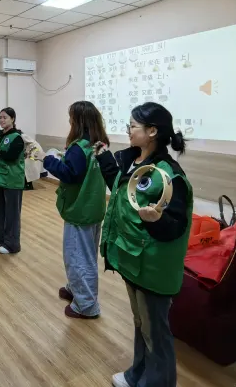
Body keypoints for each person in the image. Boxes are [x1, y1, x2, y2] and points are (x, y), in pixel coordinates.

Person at [95, 102, 192, 387]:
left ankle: (158, 382)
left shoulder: (169, 174)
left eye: (133, 126)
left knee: (155, 332)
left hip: (152, 268)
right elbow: (121, 191)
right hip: (133, 259)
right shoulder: (133, 161)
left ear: (152, 131)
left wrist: (157, 220)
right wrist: (104, 158)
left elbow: (175, 226)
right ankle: (138, 374)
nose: (128, 130)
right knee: (141, 325)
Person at [34, 101, 109, 319]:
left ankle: (86, 305)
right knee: (87, 254)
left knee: (77, 257)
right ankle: (76, 289)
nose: (69, 121)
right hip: (93, 207)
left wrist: (46, 159)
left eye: (71, 117)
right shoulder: (99, 144)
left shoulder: (79, 147)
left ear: (78, 120)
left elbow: (69, 174)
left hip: (80, 210)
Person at [0, 107, 25, 254]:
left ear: (13, 119)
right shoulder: (1, 135)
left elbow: (11, 156)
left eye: (5, 117)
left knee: (12, 214)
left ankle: (12, 244)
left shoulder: (17, 137)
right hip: (0, 178)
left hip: (12, 180)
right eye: (0, 117)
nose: (2, 120)